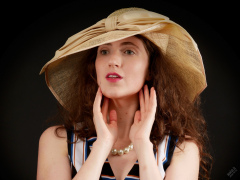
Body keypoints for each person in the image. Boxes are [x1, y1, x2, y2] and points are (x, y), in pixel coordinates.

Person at [37, 7, 212, 180]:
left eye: (129, 51)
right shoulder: (58, 142)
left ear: (151, 69)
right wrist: (101, 146)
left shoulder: (182, 149)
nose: (112, 61)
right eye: (104, 51)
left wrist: (142, 145)